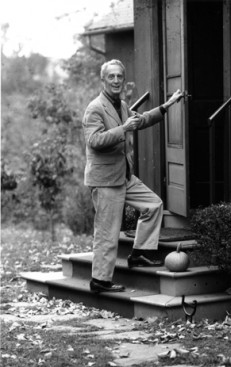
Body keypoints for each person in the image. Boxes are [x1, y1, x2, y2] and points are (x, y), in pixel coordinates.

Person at [82, 59, 183, 293]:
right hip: (106, 181)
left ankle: (139, 253)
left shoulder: (123, 105)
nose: (116, 80)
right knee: (107, 233)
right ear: (103, 80)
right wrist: (123, 129)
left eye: (120, 76)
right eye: (111, 77)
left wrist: (166, 106)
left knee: (153, 205)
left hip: (124, 176)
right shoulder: (95, 108)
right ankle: (100, 281)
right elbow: (94, 141)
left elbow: (141, 120)